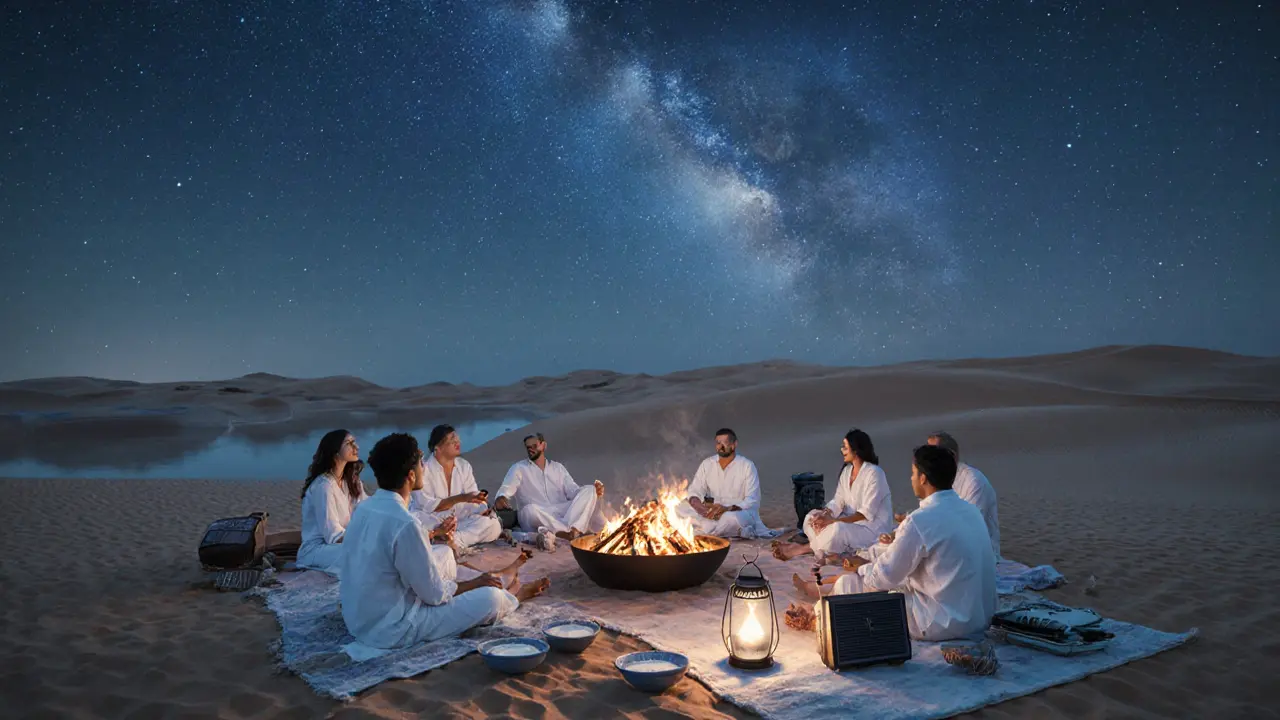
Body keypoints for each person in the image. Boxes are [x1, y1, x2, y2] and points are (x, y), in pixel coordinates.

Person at [339, 432, 550, 650]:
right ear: (411, 476)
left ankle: (494, 581)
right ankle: (514, 595)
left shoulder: (364, 508)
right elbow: (434, 595)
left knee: (443, 554)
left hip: (358, 620)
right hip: (393, 629)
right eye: (421, 463)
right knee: (491, 598)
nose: (424, 467)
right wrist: (475, 583)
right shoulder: (406, 524)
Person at [788, 444, 997, 642]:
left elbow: (883, 578)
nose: (911, 478)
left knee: (850, 584)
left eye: (913, 473)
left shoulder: (920, 520)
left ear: (923, 478)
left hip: (941, 623)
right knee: (887, 576)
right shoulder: (970, 511)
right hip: (979, 618)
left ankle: (818, 617)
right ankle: (819, 603)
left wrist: (861, 567)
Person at [772, 429, 892, 562]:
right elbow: (838, 501)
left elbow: (865, 514)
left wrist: (832, 521)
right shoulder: (847, 472)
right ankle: (827, 549)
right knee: (811, 517)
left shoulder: (875, 473)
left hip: (871, 530)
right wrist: (825, 514)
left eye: (845, 447)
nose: (842, 450)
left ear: (856, 450)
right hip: (848, 523)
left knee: (837, 529)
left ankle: (802, 549)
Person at [494, 433, 604, 541]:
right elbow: (506, 488)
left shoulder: (558, 468)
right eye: (528, 447)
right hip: (539, 514)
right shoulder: (519, 468)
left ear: (543, 445)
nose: (530, 450)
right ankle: (567, 532)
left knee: (589, 489)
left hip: (563, 513)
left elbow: (573, 491)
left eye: (534, 446)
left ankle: (572, 530)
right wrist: (501, 497)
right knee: (529, 510)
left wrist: (593, 492)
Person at [408, 424, 502, 549]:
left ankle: (453, 540)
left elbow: (473, 496)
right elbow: (425, 505)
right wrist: (461, 498)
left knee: (493, 525)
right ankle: (444, 538)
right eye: (452, 440)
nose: (458, 442)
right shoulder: (423, 469)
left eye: (457, 439)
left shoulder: (464, 466)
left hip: (458, 522)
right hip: (432, 520)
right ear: (438, 448)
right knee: (417, 522)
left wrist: (482, 508)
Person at [673, 428, 778, 538]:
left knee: (731, 519)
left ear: (734, 444)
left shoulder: (747, 466)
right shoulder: (707, 464)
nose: (721, 446)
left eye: (725, 443)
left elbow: (752, 500)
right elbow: (695, 489)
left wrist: (726, 508)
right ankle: (726, 531)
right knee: (678, 507)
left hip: (737, 513)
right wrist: (699, 507)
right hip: (713, 514)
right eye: (718, 443)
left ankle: (713, 533)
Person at [297, 429, 367, 574]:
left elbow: (367, 508)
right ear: (335, 451)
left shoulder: (351, 481)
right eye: (349, 443)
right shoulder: (324, 486)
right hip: (317, 550)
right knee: (364, 553)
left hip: (343, 544)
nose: (356, 447)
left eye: (355, 442)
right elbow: (333, 535)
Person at [928, 431, 1000, 559]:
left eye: (933, 454)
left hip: (977, 556)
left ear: (952, 456)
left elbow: (968, 528)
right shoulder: (935, 480)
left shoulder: (974, 482)